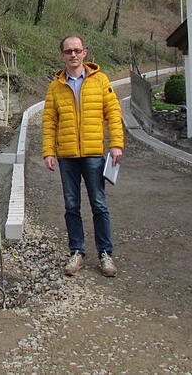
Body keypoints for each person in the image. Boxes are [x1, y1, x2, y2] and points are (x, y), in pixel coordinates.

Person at [42, 36, 124, 277]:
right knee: (71, 205)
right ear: (62, 55)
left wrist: (116, 144)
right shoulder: (55, 86)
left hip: (93, 154)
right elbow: (49, 121)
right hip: (67, 156)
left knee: (99, 204)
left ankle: (105, 254)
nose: (73, 55)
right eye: (68, 51)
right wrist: (48, 151)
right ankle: (76, 251)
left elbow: (113, 111)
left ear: (85, 53)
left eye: (77, 50)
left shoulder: (100, 81)